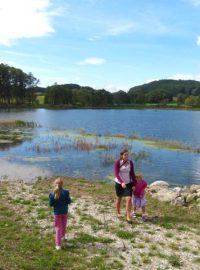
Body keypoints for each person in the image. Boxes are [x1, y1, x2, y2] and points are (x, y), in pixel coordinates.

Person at [49, 177, 72, 250]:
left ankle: (58, 244)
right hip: (64, 212)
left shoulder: (51, 194)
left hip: (57, 213)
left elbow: (50, 204)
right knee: (64, 225)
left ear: (54, 184)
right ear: (62, 184)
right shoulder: (66, 192)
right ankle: (62, 237)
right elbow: (69, 201)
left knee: (58, 227)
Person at [114, 148, 136, 223]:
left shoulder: (130, 162)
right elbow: (116, 174)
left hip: (128, 183)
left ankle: (128, 216)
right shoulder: (118, 162)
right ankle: (118, 212)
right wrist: (121, 182)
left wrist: (134, 184)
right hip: (119, 183)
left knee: (129, 199)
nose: (126, 156)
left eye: (127, 155)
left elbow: (132, 173)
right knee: (118, 198)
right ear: (122, 155)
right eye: (125, 155)